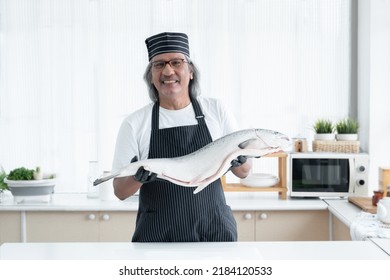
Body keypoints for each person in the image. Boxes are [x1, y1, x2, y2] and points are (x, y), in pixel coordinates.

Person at [112, 32, 252, 242]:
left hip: (213, 231)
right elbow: (120, 191)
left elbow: (244, 172)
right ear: (151, 76)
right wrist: (136, 178)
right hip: (157, 237)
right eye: (159, 65)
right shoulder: (134, 123)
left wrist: (239, 160)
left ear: (191, 71)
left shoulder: (216, 110)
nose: (168, 71)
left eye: (176, 62)